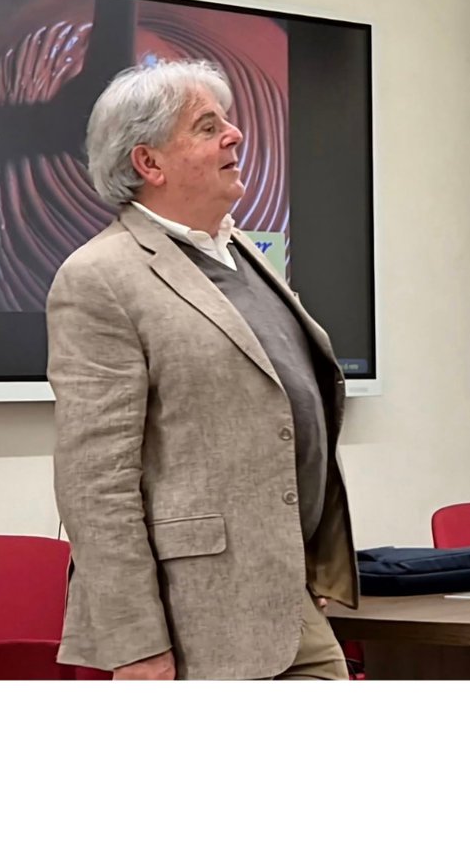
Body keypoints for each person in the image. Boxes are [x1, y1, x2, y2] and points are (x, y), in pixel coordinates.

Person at [47, 59, 358, 679]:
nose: (235, 135)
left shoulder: (240, 252)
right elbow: (95, 483)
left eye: (228, 122)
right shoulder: (99, 277)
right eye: (208, 126)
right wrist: (136, 645)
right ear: (149, 162)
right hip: (196, 618)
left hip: (286, 598)